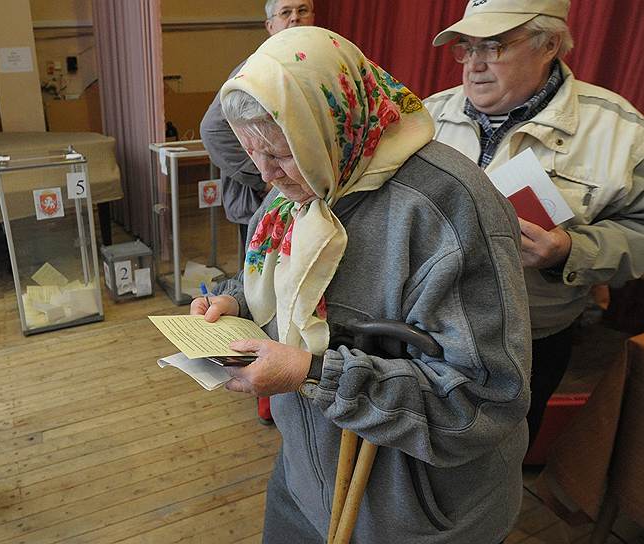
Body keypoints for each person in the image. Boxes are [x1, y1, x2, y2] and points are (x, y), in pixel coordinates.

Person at [191, 27, 531, 543]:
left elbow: (485, 402)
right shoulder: (298, 192)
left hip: (414, 514)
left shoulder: (447, 209)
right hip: (305, 478)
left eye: (281, 154)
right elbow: (271, 276)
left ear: (330, 126)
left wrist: (313, 374)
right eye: (251, 154)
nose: (265, 176)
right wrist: (234, 300)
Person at [425, 0, 644, 450]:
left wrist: (570, 251)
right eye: (466, 47)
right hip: (426, 333)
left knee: (504, 453)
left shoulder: (620, 131)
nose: (474, 64)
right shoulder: (422, 118)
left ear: (549, 45)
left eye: (493, 46)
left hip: (530, 343)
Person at [200, 0, 315, 425]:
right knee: (261, 287)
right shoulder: (259, 67)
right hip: (266, 205)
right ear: (269, 25)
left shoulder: (317, 62)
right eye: (286, 13)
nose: (296, 19)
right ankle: (268, 394)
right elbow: (213, 129)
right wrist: (265, 173)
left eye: (304, 10)